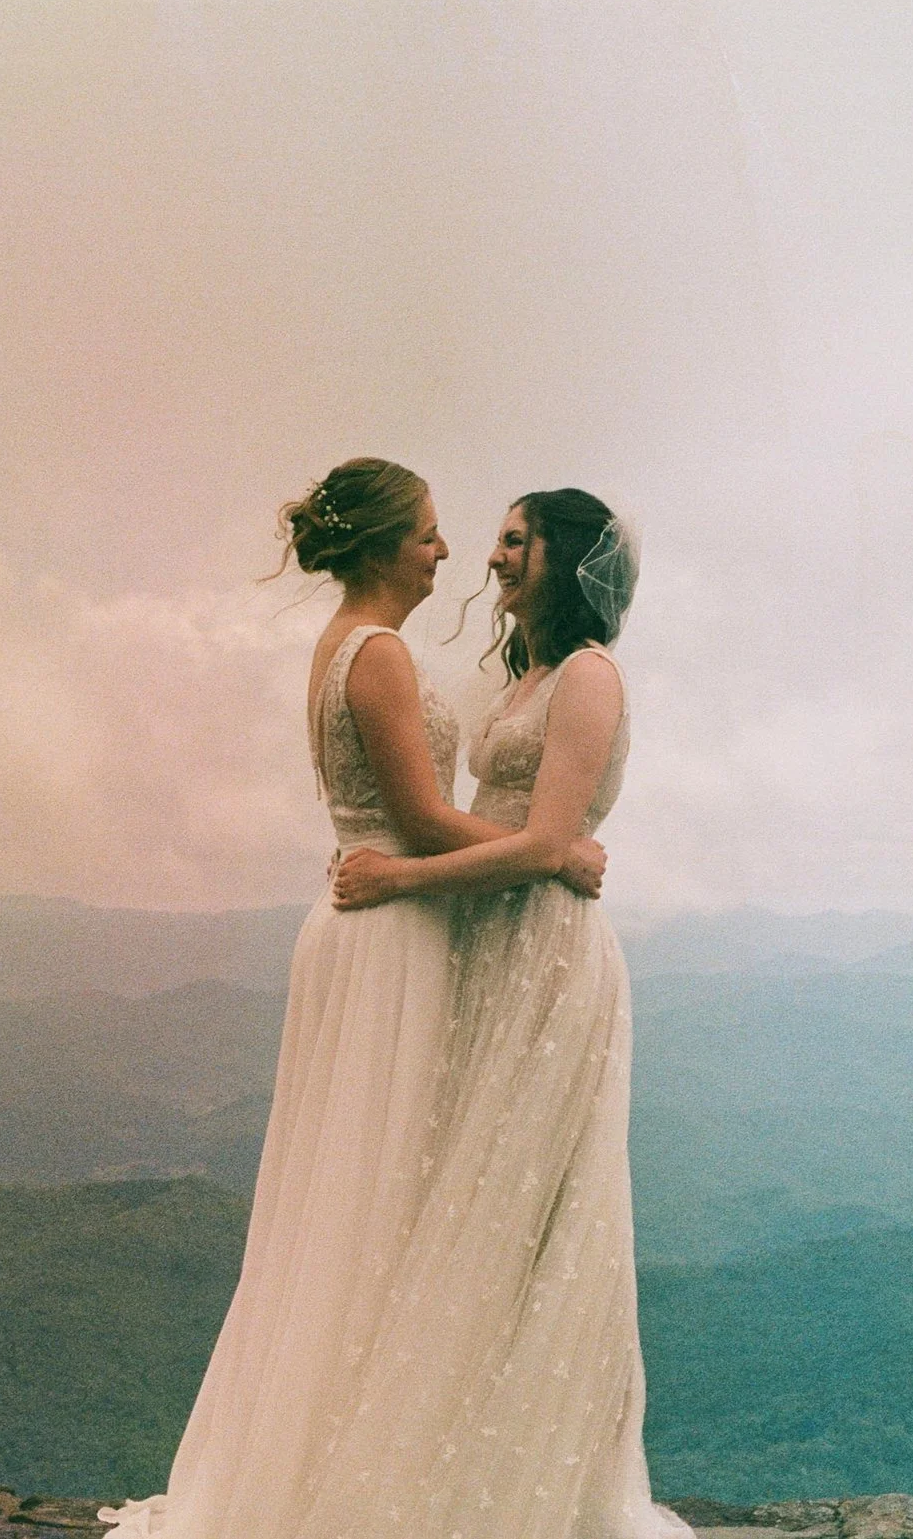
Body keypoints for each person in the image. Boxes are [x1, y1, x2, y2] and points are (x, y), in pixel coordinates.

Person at [99, 459, 603, 1539]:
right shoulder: (374, 656)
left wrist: (534, 847)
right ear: (380, 546)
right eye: (425, 533)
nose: (443, 550)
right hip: (387, 933)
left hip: (370, 923)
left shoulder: (353, 648)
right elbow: (417, 821)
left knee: (364, 1199)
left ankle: (346, 1453)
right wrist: (549, 852)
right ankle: (342, 1476)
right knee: (372, 1200)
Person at [319, 487, 690, 1539]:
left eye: (516, 539)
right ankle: (455, 1469)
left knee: (532, 1210)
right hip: (486, 944)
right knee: (463, 1197)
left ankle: (540, 1490)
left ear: (564, 557)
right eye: (496, 539)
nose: (493, 556)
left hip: (546, 958)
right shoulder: (526, 674)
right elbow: (516, 834)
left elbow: (549, 840)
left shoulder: (586, 676)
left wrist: (396, 881)